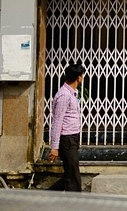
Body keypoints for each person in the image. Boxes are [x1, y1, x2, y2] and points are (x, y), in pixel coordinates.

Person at [49, 63, 85, 192]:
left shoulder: (72, 93)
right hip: (67, 139)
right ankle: (75, 204)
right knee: (73, 175)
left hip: (72, 138)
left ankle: (44, 198)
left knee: (70, 173)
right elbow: (57, 121)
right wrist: (54, 147)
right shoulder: (64, 95)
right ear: (79, 78)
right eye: (82, 75)